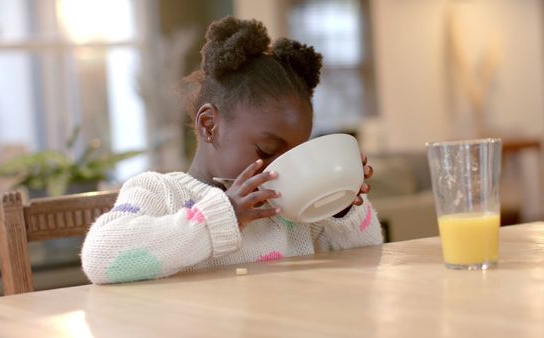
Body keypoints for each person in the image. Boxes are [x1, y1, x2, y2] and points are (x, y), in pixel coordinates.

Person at [81, 16, 383, 284]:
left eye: (295, 152)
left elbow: (366, 258)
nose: (280, 167)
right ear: (210, 125)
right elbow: (100, 257)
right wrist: (227, 216)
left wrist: (342, 208)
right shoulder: (159, 192)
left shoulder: (288, 211)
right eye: (266, 149)